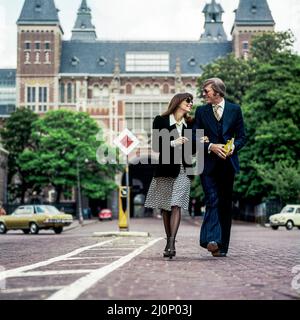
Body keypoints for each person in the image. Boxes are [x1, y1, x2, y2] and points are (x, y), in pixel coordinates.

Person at [193, 78, 246, 257]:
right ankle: (211, 240)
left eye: (206, 91)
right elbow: (194, 136)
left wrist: (232, 148)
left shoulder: (235, 110)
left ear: (217, 91)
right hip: (207, 164)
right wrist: (211, 146)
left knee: (225, 204)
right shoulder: (201, 111)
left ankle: (222, 247)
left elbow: (241, 137)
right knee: (212, 199)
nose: (203, 94)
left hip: (228, 164)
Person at [145, 93, 194, 259]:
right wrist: (174, 142)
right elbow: (156, 146)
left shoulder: (189, 124)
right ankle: (168, 241)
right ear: (178, 102)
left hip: (183, 169)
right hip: (165, 168)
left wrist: (200, 142)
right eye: (188, 101)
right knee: (166, 206)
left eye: (191, 101)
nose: (190, 104)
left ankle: (171, 244)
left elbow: (192, 150)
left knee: (176, 204)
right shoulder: (161, 120)